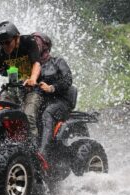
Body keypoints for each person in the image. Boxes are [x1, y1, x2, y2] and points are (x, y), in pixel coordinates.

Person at [0, 21, 43, 141]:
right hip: (12, 90)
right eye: (1, 43)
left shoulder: (29, 42)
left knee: (28, 115)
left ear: (16, 37)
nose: (5, 46)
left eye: (7, 42)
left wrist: (32, 79)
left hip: (32, 90)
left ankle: (33, 148)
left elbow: (36, 63)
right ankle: (0, 144)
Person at [33, 32, 73, 160]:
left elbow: (68, 80)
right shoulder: (33, 66)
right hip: (41, 101)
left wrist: (52, 88)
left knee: (47, 113)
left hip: (61, 101)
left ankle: (43, 153)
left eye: (36, 43)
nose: (34, 45)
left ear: (45, 46)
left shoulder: (57, 61)